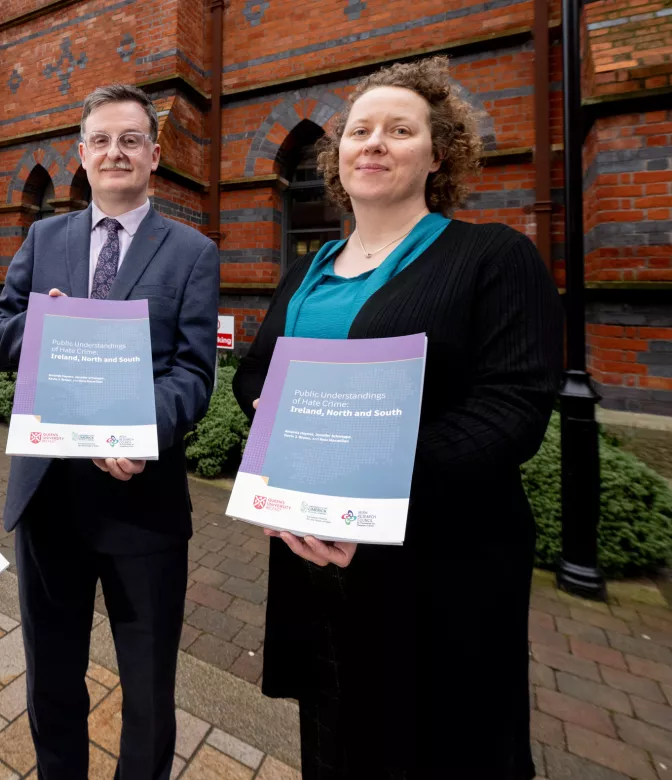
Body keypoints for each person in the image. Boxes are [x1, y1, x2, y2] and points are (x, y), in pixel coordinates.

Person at [232, 56, 562, 779]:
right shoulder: (307, 269)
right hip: (311, 557)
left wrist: (364, 487)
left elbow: (512, 410)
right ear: (339, 153)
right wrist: (270, 419)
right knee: (333, 733)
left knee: (438, 745)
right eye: (359, 131)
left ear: (438, 153)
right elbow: (256, 375)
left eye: (399, 130)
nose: (373, 143)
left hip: (438, 563)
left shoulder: (491, 257)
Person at [0, 84, 219, 779]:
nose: (115, 152)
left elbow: (194, 373)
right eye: (101, 140)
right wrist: (41, 329)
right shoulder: (42, 238)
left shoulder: (192, 252)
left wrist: (139, 431)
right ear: (81, 156)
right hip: (48, 497)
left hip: (141, 505)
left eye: (130, 139)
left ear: (153, 154)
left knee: (147, 690)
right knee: (52, 678)